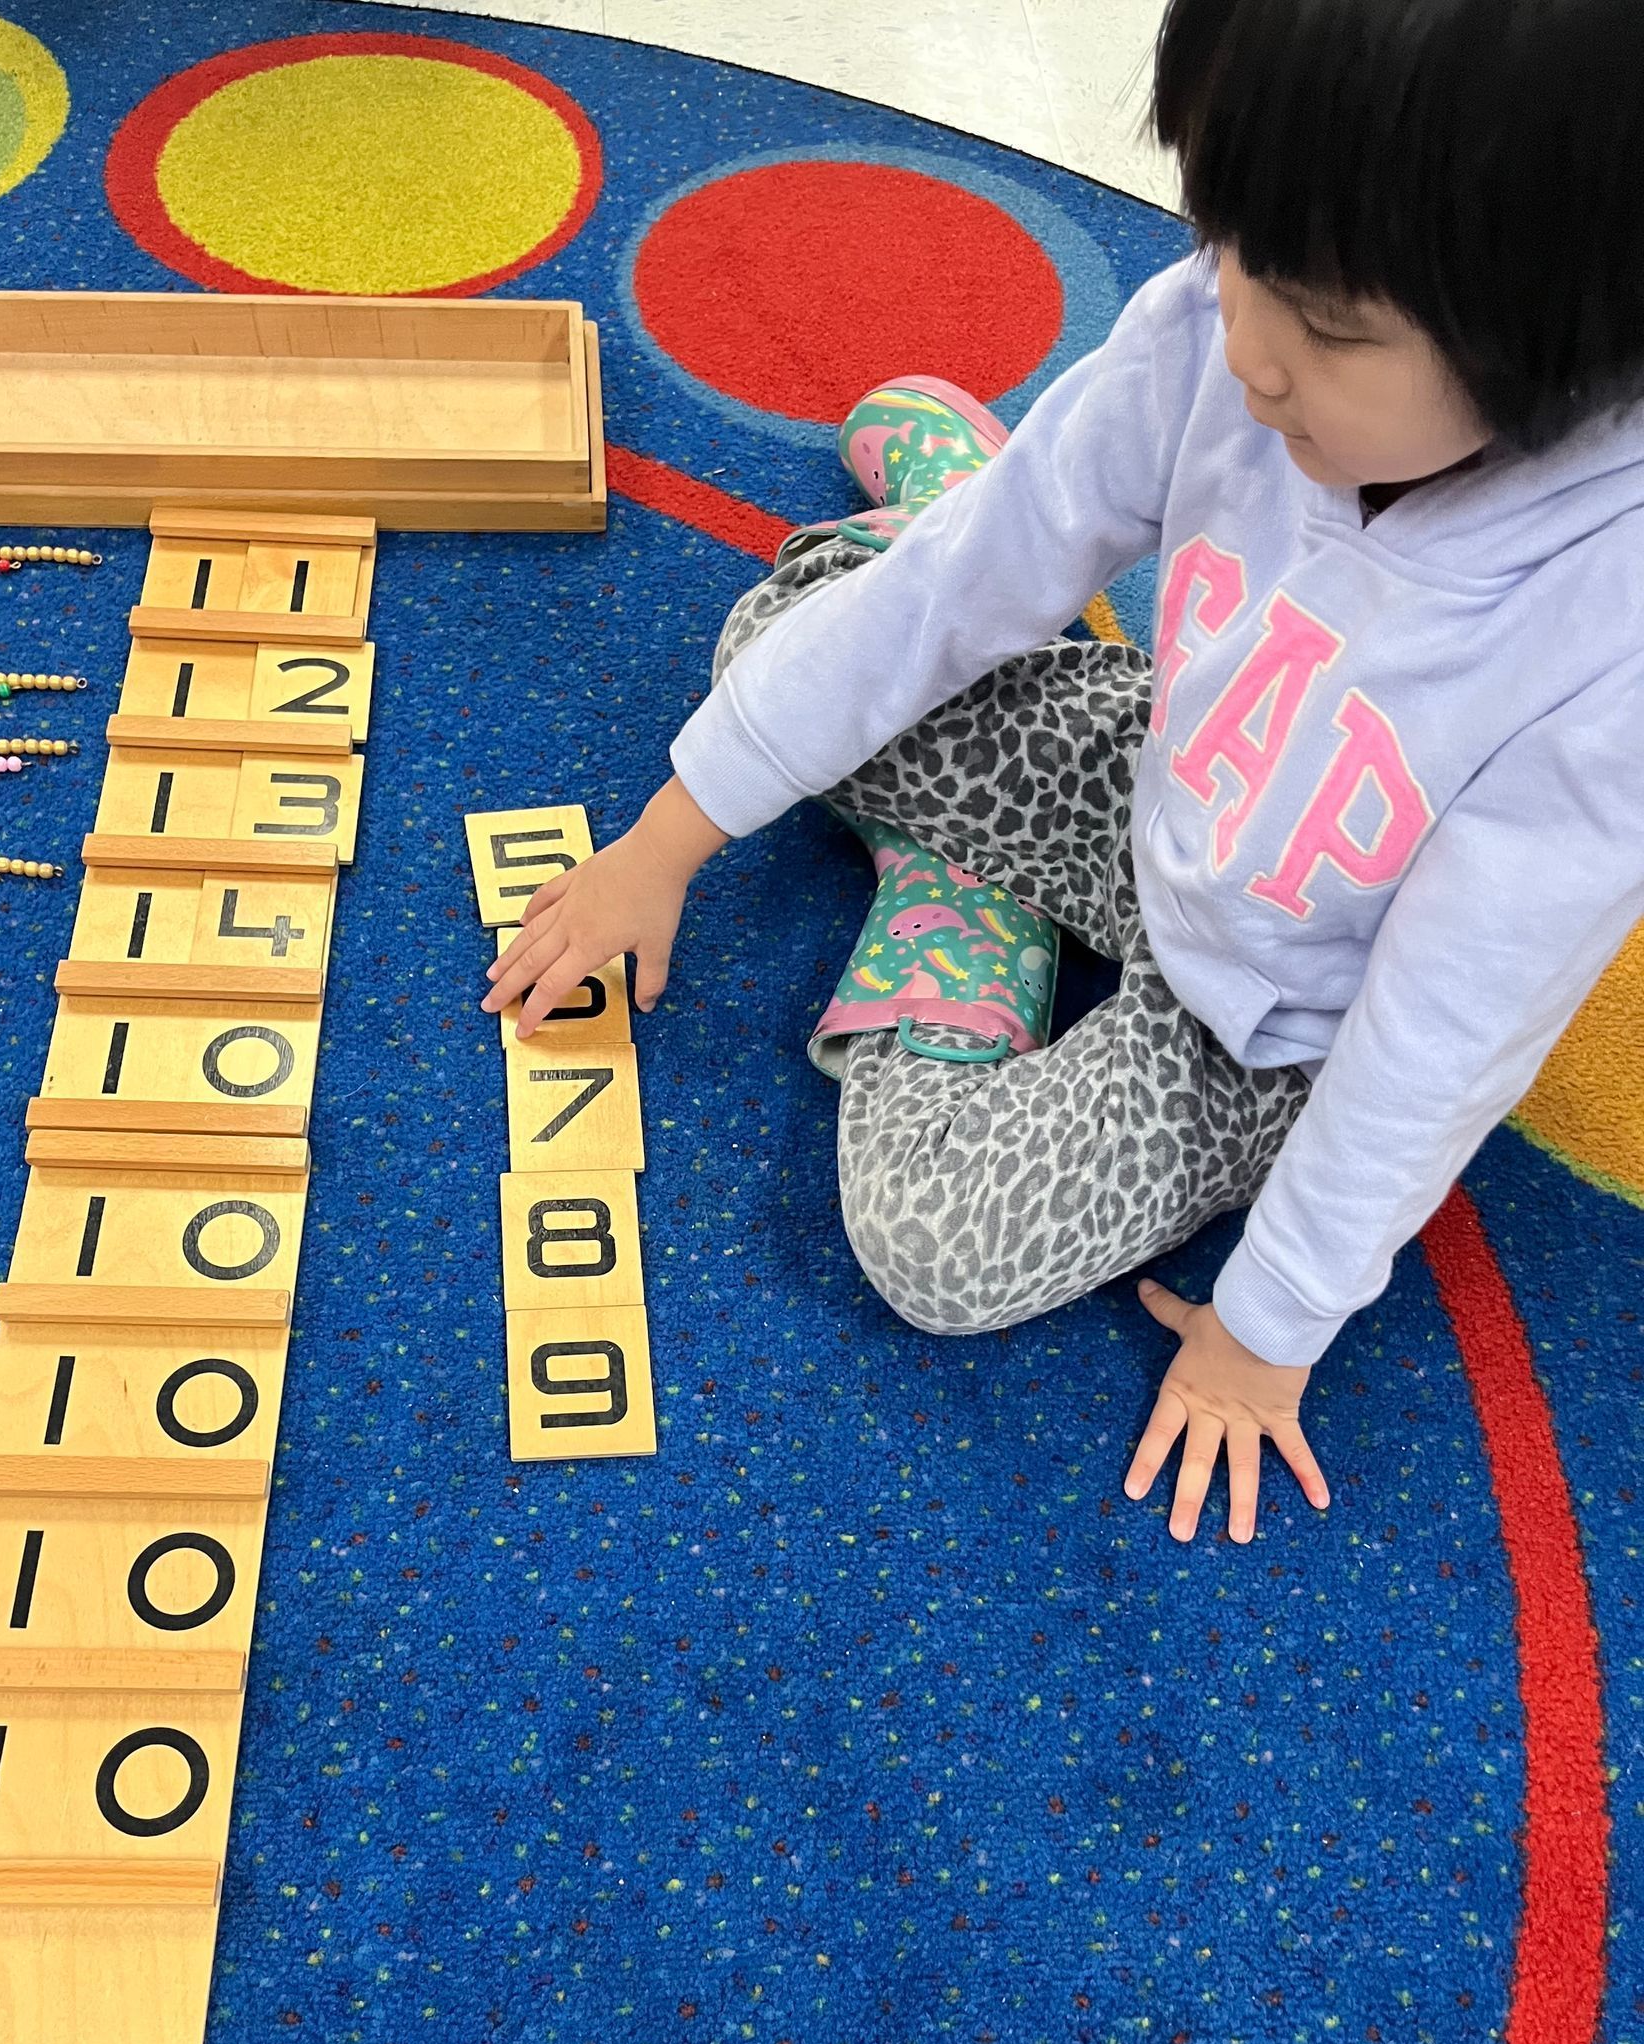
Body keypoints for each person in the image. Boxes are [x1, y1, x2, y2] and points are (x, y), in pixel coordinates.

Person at [483, 0, 1644, 1542]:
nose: (1243, 345)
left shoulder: (1607, 637)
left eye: (1325, 326)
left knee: (931, 1247)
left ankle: (949, 923)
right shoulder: (1220, 333)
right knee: (789, 633)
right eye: (1225, 246)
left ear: (1567, 338)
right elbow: (953, 595)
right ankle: (972, 480)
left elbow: (1446, 1035)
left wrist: (1268, 1329)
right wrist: (660, 845)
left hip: (1280, 1025)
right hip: (1166, 780)